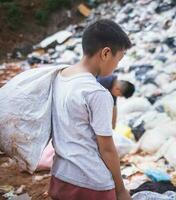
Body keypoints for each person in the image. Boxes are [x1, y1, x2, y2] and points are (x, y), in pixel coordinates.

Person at [49, 19, 132, 200]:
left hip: (60, 177)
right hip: (92, 184)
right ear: (106, 53)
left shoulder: (60, 78)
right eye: (119, 58)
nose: (117, 65)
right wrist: (120, 190)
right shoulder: (97, 92)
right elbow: (107, 149)